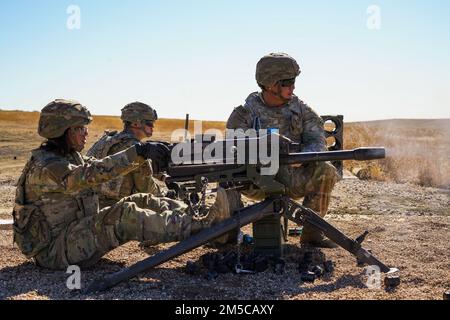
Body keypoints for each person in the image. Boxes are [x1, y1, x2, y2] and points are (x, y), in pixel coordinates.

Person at [12, 99, 231, 270]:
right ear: (63, 131)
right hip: (56, 250)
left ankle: (199, 218)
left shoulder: (67, 157)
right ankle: (206, 228)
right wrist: (138, 152)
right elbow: (88, 175)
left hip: (71, 235)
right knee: (126, 214)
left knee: (138, 200)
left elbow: (96, 166)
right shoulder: (47, 166)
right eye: (79, 128)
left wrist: (145, 154)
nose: (86, 133)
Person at [226, 53, 340, 248]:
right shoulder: (244, 113)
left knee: (327, 170)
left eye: (294, 81)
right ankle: (227, 235)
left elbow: (317, 142)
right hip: (255, 181)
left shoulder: (302, 110)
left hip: (291, 178)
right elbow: (231, 150)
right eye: (287, 82)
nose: (293, 87)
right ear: (271, 84)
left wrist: (301, 158)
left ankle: (312, 234)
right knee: (225, 177)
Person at [87, 102, 164, 209]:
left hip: (93, 204)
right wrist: (165, 194)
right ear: (136, 124)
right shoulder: (136, 149)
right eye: (149, 123)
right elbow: (147, 188)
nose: (153, 127)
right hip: (116, 210)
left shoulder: (107, 140)